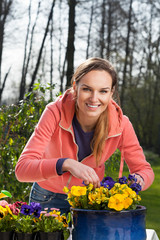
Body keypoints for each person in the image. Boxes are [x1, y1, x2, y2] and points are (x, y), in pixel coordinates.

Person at [15, 57, 154, 214]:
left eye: (103, 91)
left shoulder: (121, 124)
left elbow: (144, 170)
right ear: (75, 87)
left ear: (111, 92)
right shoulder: (54, 112)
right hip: (48, 196)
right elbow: (22, 169)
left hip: (90, 200)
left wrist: (129, 186)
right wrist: (66, 164)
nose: (94, 98)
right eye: (87, 89)